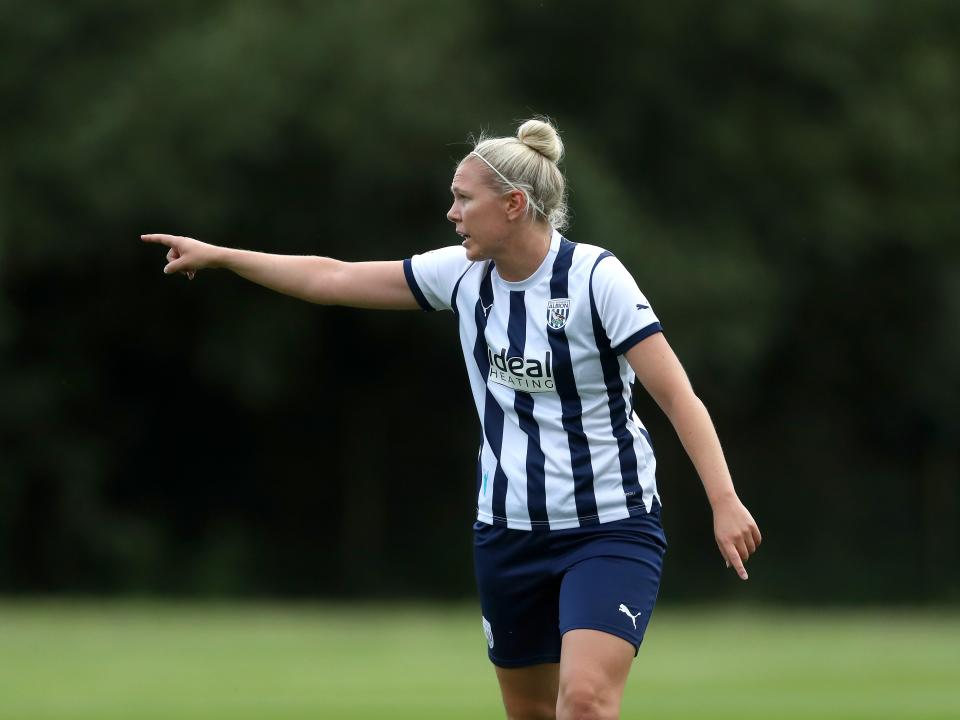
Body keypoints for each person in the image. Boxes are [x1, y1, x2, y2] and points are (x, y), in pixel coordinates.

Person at [142, 117, 761, 720]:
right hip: (507, 531)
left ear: (515, 204)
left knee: (587, 703)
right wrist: (225, 255)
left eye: (464, 199)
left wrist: (723, 498)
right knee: (531, 711)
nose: (453, 212)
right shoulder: (462, 275)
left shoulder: (598, 279)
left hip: (609, 526)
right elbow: (330, 277)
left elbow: (679, 396)